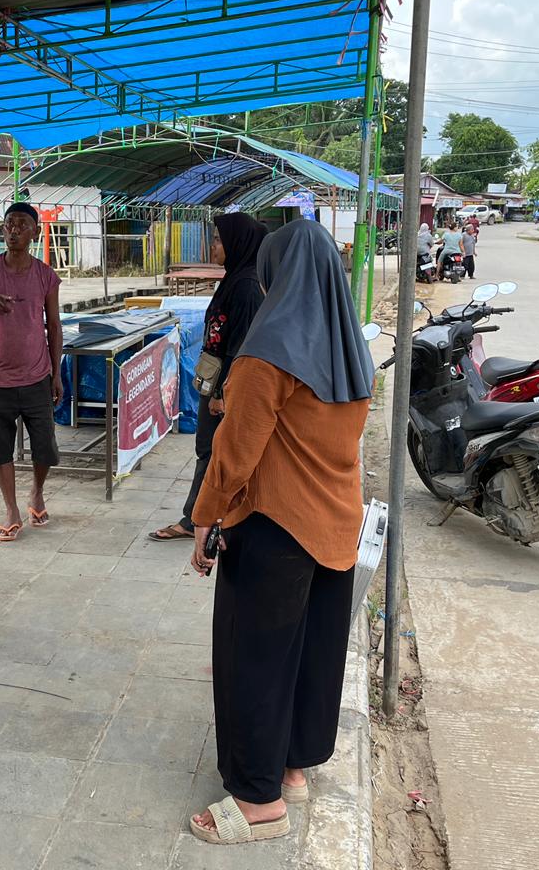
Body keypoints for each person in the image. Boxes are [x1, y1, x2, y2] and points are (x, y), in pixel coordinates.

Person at [183, 219, 373, 846]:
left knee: (256, 662)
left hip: (275, 528)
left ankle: (257, 800)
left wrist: (204, 518)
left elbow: (234, 456)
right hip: (336, 526)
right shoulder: (350, 349)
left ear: (277, 274)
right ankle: (291, 768)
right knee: (311, 653)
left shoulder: (268, 352)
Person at [150, 213, 267, 542]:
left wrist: (221, 394)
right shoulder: (235, 279)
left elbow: (240, 347)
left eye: (218, 239)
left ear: (236, 243)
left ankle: (196, 520)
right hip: (217, 380)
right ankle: (214, 516)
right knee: (211, 450)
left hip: (226, 385)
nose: (212, 245)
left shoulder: (246, 287)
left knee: (212, 451)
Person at [0, 201, 63, 542]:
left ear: (35, 232)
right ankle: (11, 509)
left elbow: (54, 326)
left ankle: (36, 492)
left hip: (36, 374)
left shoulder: (45, 275)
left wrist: (56, 373)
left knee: (44, 445)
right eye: (8, 225)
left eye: (21, 225)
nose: (14, 230)